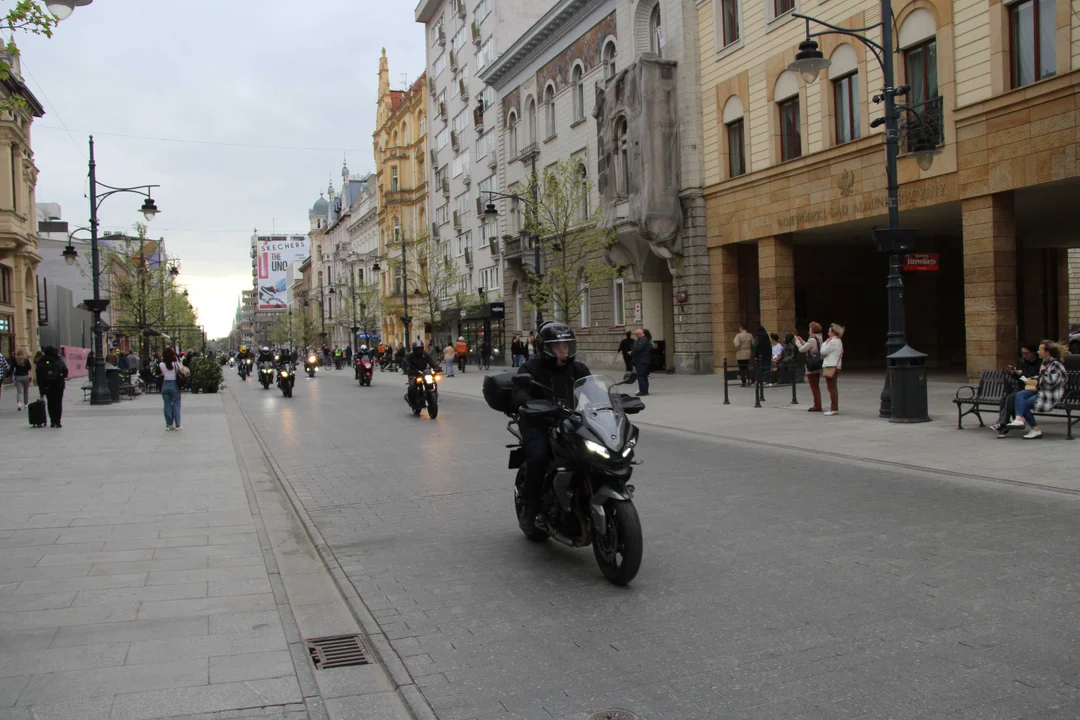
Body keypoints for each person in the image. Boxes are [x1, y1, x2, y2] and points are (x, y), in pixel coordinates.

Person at [512, 322, 590, 532]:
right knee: (538, 456)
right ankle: (529, 509)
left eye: (566, 345)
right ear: (545, 347)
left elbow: (591, 390)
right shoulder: (531, 368)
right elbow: (519, 392)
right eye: (558, 346)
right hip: (538, 423)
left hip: (572, 422)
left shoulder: (578, 368)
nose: (563, 350)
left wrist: (611, 401)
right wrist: (530, 404)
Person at [1003, 340, 1067, 440]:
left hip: (1050, 395)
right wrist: (1033, 379)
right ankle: (1019, 420)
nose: (1038, 352)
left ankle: (1033, 428)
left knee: (1022, 403)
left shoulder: (1055, 364)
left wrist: (1042, 372)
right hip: (1042, 391)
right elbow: (1041, 379)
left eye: (1040, 349)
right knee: (1020, 395)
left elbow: (1051, 382)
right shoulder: (1046, 363)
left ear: (1047, 352)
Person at [991, 342, 1042, 433]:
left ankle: (1002, 423)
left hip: (1032, 389)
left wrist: (1022, 374)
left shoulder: (1040, 363)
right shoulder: (1021, 361)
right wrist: (1013, 372)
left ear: (1033, 353)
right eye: (1023, 353)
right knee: (1004, 399)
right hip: (1021, 387)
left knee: (1011, 398)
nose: (1024, 356)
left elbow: (1035, 378)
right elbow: (1019, 378)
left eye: (1026, 353)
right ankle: (1003, 423)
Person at [36, 346, 68, 428]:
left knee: (50, 403)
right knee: (58, 403)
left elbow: (39, 376)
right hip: (58, 385)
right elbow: (65, 372)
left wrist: (41, 389)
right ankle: (58, 421)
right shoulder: (58, 360)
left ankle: (52, 421)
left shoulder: (41, 362)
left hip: (47, 386)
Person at [795, 322, 824, 411]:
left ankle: (817, 405)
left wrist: (797, 343)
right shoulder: (819, 338)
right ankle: (817, 404)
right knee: (816, 386)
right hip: (817, 364)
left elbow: (802, 349)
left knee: (814, 387)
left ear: (813, 330)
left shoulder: (812, 339)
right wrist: (802, 341)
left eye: (810, 328)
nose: (809, 331)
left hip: (811, 365)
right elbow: (811, 347)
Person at [820, 323, 844, 416]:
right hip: (835, 366)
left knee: (831, 388)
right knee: (833, 388)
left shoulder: (833, 341)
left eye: (829, 331)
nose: (828, 333)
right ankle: (834, 407)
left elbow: (823, 351)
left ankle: (833, 408)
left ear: (834, 332)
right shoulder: (838, 341)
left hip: (831, 366)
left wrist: (825, 342)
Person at [159, 347, 183, 431]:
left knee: (167, 405)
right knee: (176, 404)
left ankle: (169, 424)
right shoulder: (175, 364)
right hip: (174, 384)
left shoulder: (161, 364)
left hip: (165, 384)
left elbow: (162, 373)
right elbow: (181, 370)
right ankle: (178, 425)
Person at [631, 328, 651, 396]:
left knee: (641, 376)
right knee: (643, 376)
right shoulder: (641, 340)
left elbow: (638, 349)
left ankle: (643, 391)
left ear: (640, 334)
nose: (636, 336)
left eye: (636, 334)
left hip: (642, 361)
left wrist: (632, 353)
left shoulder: (643, 340)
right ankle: (644, 390)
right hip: (641, 360)